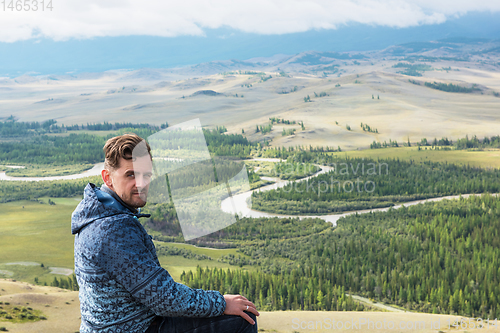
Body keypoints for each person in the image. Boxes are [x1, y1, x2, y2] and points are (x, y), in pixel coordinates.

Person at [72, 133, 259, 333]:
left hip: (125, 324)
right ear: (107, 178)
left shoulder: (100, 212)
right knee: (242, 320)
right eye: (131, 175)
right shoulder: (111, 229)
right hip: (133, 328)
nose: (141, 183)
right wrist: (221, 303)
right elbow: (164, 298)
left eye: (147, 175)